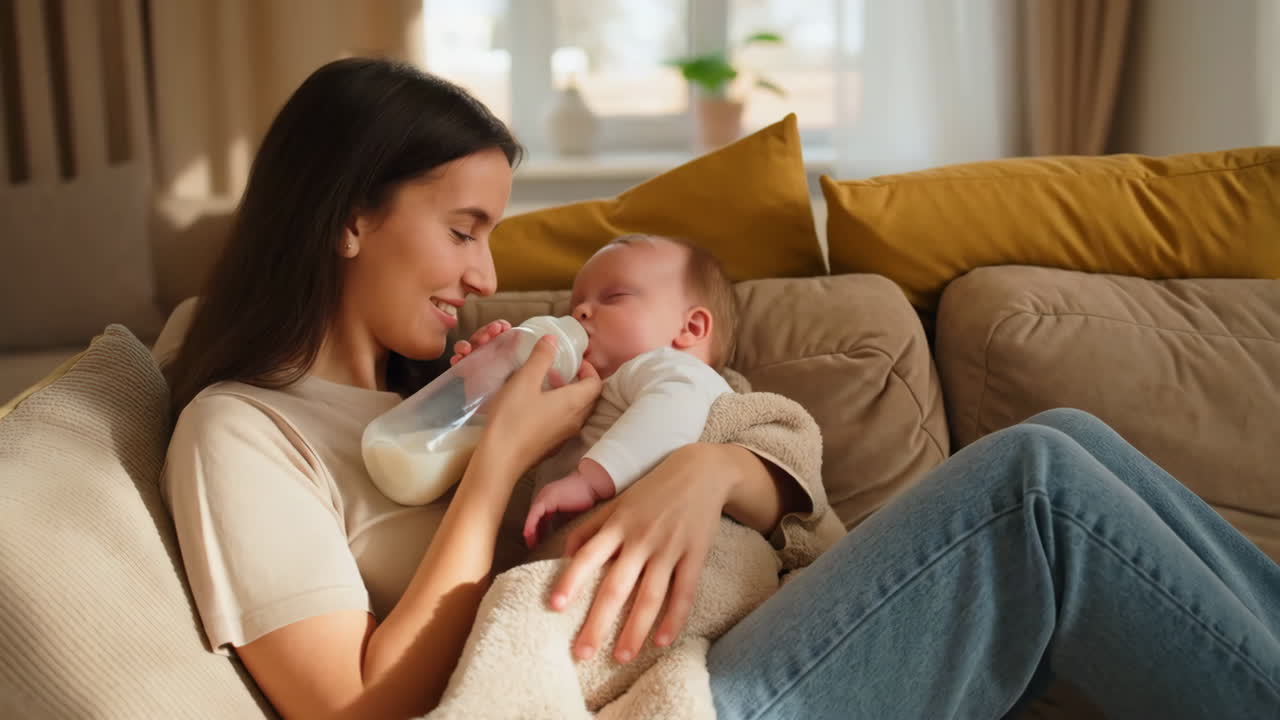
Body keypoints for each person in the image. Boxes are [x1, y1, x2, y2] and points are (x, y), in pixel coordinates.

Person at [160, 57, 1280, 719]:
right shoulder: (242, 431)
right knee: (1031, 486)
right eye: (462, 231)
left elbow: (699, 400)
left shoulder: (462, 367)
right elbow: (350, 704)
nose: (488, 278)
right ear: (349, 214)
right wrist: (495, 463)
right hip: (667, 700)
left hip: (723, 629)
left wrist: (714, 467)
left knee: (1069, 438)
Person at [456, 233, 743, 550]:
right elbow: (505, 432)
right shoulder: (577, 385)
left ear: (690, 328)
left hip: (660, 542)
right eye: (575, 303)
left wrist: (591, 483)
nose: (579, 312)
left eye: (614, 296)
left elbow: (675, 409)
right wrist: (487, 375)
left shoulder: (671, 369)